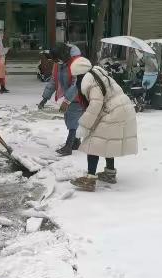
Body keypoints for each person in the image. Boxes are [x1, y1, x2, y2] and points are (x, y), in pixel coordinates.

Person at [68, 57, 138, 192]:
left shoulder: (89, 81)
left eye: (76, 76)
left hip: (113, 111)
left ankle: (89, 179)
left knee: (93, 143)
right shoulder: (97, 73)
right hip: (121, 108)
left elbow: (95, 104)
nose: (76, 80)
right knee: (107, 141)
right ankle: (110, 173)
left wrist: (84, 125)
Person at [38, 42, 83, 156]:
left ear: (64, 54)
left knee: (73, 118)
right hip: (69, 95)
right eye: (55, 60)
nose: (57, 62)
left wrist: (67, 100)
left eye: (58, 60)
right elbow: (54, 79)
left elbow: (77, 83)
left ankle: (69, 146)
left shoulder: (77, 62)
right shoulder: (59, 62)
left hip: (79, 94)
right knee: (69, 118)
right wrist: (45, 98)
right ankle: (76, 142)